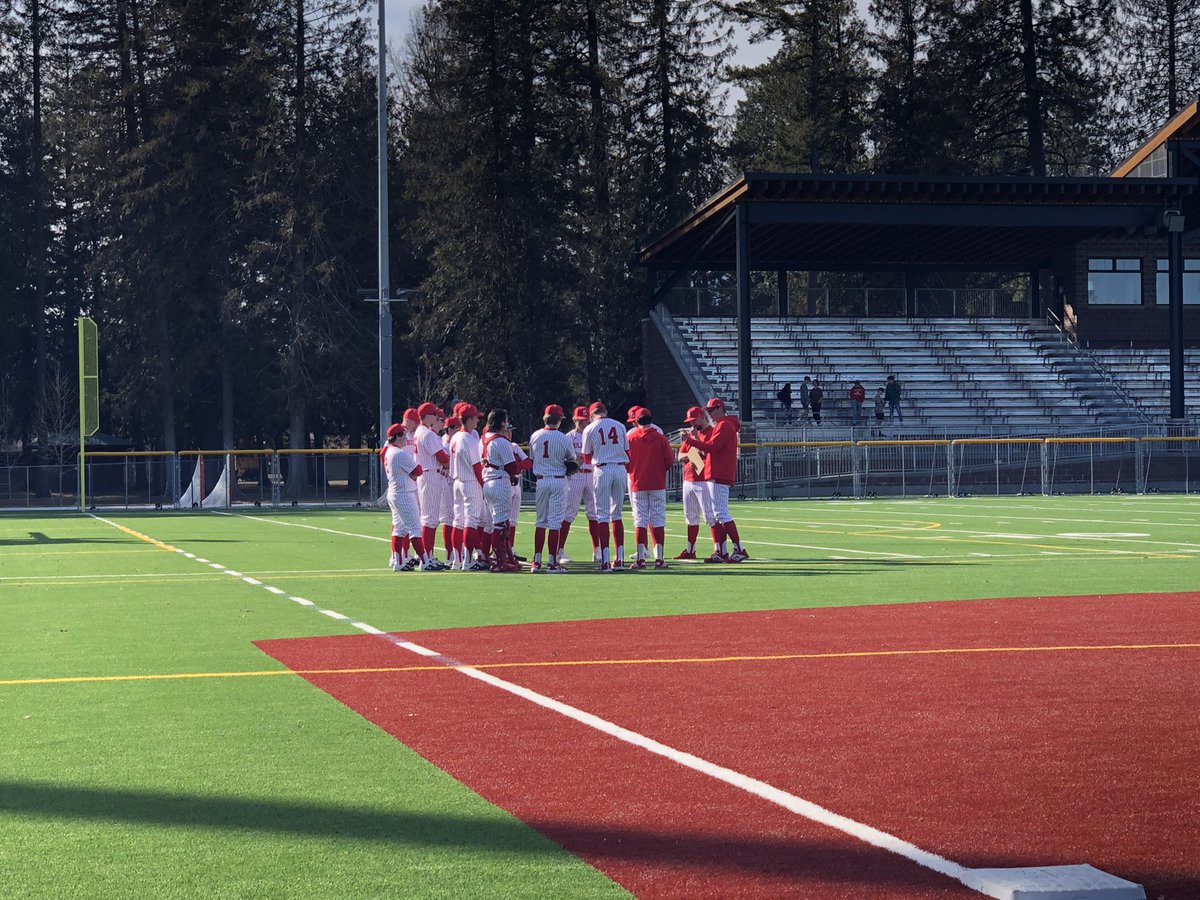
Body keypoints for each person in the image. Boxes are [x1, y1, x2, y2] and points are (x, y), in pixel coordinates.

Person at [684, 398, 749, 562]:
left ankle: (739, 549)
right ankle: (722, 551)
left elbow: (713, 447)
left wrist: (691, 440)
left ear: (720, 409)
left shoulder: (724, 425)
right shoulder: (724, 425)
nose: (710, 414)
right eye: (708, 411)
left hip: (719, 473)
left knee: (721, 513)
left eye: (712, 410)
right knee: (717, 513)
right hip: (717, 472)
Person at [580, 401, 630, 572]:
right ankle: (620, 559)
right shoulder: (620, 425)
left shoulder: (589, 428)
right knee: (617, 515)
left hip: (602, 469)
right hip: (620, 467)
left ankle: (605, 561)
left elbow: (586, 458)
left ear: (592, 414)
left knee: (602, 515)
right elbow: (627, 451)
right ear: (605, 411)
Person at [381, 423, 437, 572]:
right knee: (414, 529)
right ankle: (425, 562)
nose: (406, 437)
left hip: (395, 492)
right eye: (404, 435)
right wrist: (412, 473)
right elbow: (418, 470)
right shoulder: (399, 453)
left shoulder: (389, 452)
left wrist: (411, 473)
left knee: (399, 529)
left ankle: (398, 562)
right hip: (404, 493)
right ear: (398, 436)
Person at [528, 404, 577, 573]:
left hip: (541, 480)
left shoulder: (535, 435)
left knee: (540, 521)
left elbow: (532, 457)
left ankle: (536, 561)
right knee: (555, 523)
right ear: (559, 420)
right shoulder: (564, 438)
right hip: (558, 480)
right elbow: (572, 460)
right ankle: (552, 563)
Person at [626, 407, 674, 569]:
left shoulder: (631, 438)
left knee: (640, 520)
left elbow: (626, 462)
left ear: (636, 421)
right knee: (658, 519)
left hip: (638, 483)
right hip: (657, 482)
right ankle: (659, 558)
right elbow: (669, 461)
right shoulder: (660, 438)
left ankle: (640, 558)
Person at [480, 409, 522, 573]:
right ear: (501, 422)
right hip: (499, 482)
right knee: (500, 525)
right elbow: (511, 467)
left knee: (499, 524)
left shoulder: (484, 439)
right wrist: (522, 467)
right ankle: (499, 562)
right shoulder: (501, 441)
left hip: (489, 481)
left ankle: (503, 558)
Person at [448, 403, 489, 571]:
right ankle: (467, 561)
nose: (478, 421)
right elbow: (476, 467)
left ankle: (457, 561)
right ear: (469, 419)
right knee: (470, 522)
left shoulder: (455, 437)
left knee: (458, 522)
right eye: (476, 418)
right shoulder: (470, 440)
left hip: (457, 480)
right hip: (470, 482)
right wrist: (483, 485)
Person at [413, 402, 451, 569]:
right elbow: (442, 457)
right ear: (427, 416)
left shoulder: (421, 432)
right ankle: (426, 558)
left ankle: (428, 556)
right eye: (434, 415)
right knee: (430, 520)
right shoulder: (428, 434)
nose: (436, 417)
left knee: (430, 519)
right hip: (429, 475)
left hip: (428, 474)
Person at [675, 406, 715, 560]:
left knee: (710, 517)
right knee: (691, 518)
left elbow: (708, 452)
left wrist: (695, 443)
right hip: (689, 479)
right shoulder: (691, 434)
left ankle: (718, 549)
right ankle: (690, 550)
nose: (691, 424)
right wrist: (693, 454)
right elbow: (680, 456)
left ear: (701, 417)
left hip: (704, 480)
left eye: (693, 420)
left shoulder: (710, 432)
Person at [561, 405, 597, 565]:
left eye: (585, 420)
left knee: (594, 514)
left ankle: (597, 551)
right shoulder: (568, 437)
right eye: (580, 420)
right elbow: (566, 458)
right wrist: (578, 458)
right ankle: (559, 550)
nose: (583, 423)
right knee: (569, 513)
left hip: (591, 474)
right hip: (575, 476)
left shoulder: (592, 434)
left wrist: (581, 457)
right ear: (574, 419)